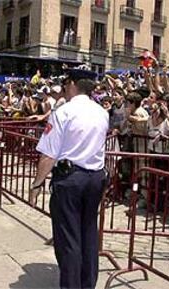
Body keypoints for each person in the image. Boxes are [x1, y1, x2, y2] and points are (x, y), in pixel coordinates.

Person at [29, 69, 109, 289]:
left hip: (70, 178)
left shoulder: (63, 112)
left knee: (69, 239)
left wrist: (36, 184)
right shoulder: (102, 112)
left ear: (72, 84)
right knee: (89, 234)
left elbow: (48, 154)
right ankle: (87, 284)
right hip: (94, 177)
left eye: (65, 84)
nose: (64, 88)